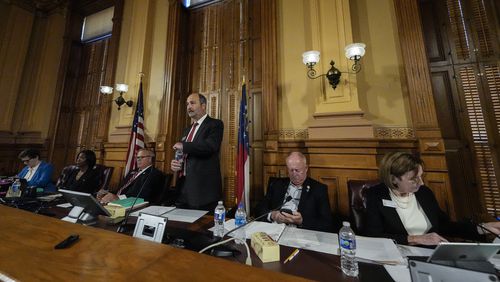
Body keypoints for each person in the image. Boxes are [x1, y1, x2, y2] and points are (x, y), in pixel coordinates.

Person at [364, 151, 500, 245]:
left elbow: (445, 226)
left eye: (421, 176)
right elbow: (373, 236)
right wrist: (415, 239)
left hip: (431, 253)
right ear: (393, 179)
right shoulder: (375, 195)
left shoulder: (424, 193)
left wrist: (481, 228)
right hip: (398, 256)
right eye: (414, 179)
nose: (421, 183)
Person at [255, 152, 333, 232]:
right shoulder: (276, 184)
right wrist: (272, 215)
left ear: (306, 168)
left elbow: (326, 224)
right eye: (291, 170)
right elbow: (259, 208)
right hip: (274, 229)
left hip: (300, 234)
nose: (294, 174)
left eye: (297, 170)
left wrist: (301, 221)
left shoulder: (319, 189)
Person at [170, 93, 224, 211]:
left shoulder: (215, 124)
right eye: (187, 104)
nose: (189, 107)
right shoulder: (187, 130)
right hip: (183, 189)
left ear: (203, 106)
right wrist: (176, 164)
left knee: (201, 228)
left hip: (203, 191)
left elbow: (210, 146)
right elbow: (184, 153)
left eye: (193, 103)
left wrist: (184, 146)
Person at [99, 148, 165, 204]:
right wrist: (107, 193)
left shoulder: (154, 174)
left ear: (150, 159)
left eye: (142, 157)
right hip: (118, 202)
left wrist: (118, 198)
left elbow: (142, 195)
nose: (138, 159)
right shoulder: (132, 172)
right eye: (137, 157)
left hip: (133, 204)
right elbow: (121, 189)